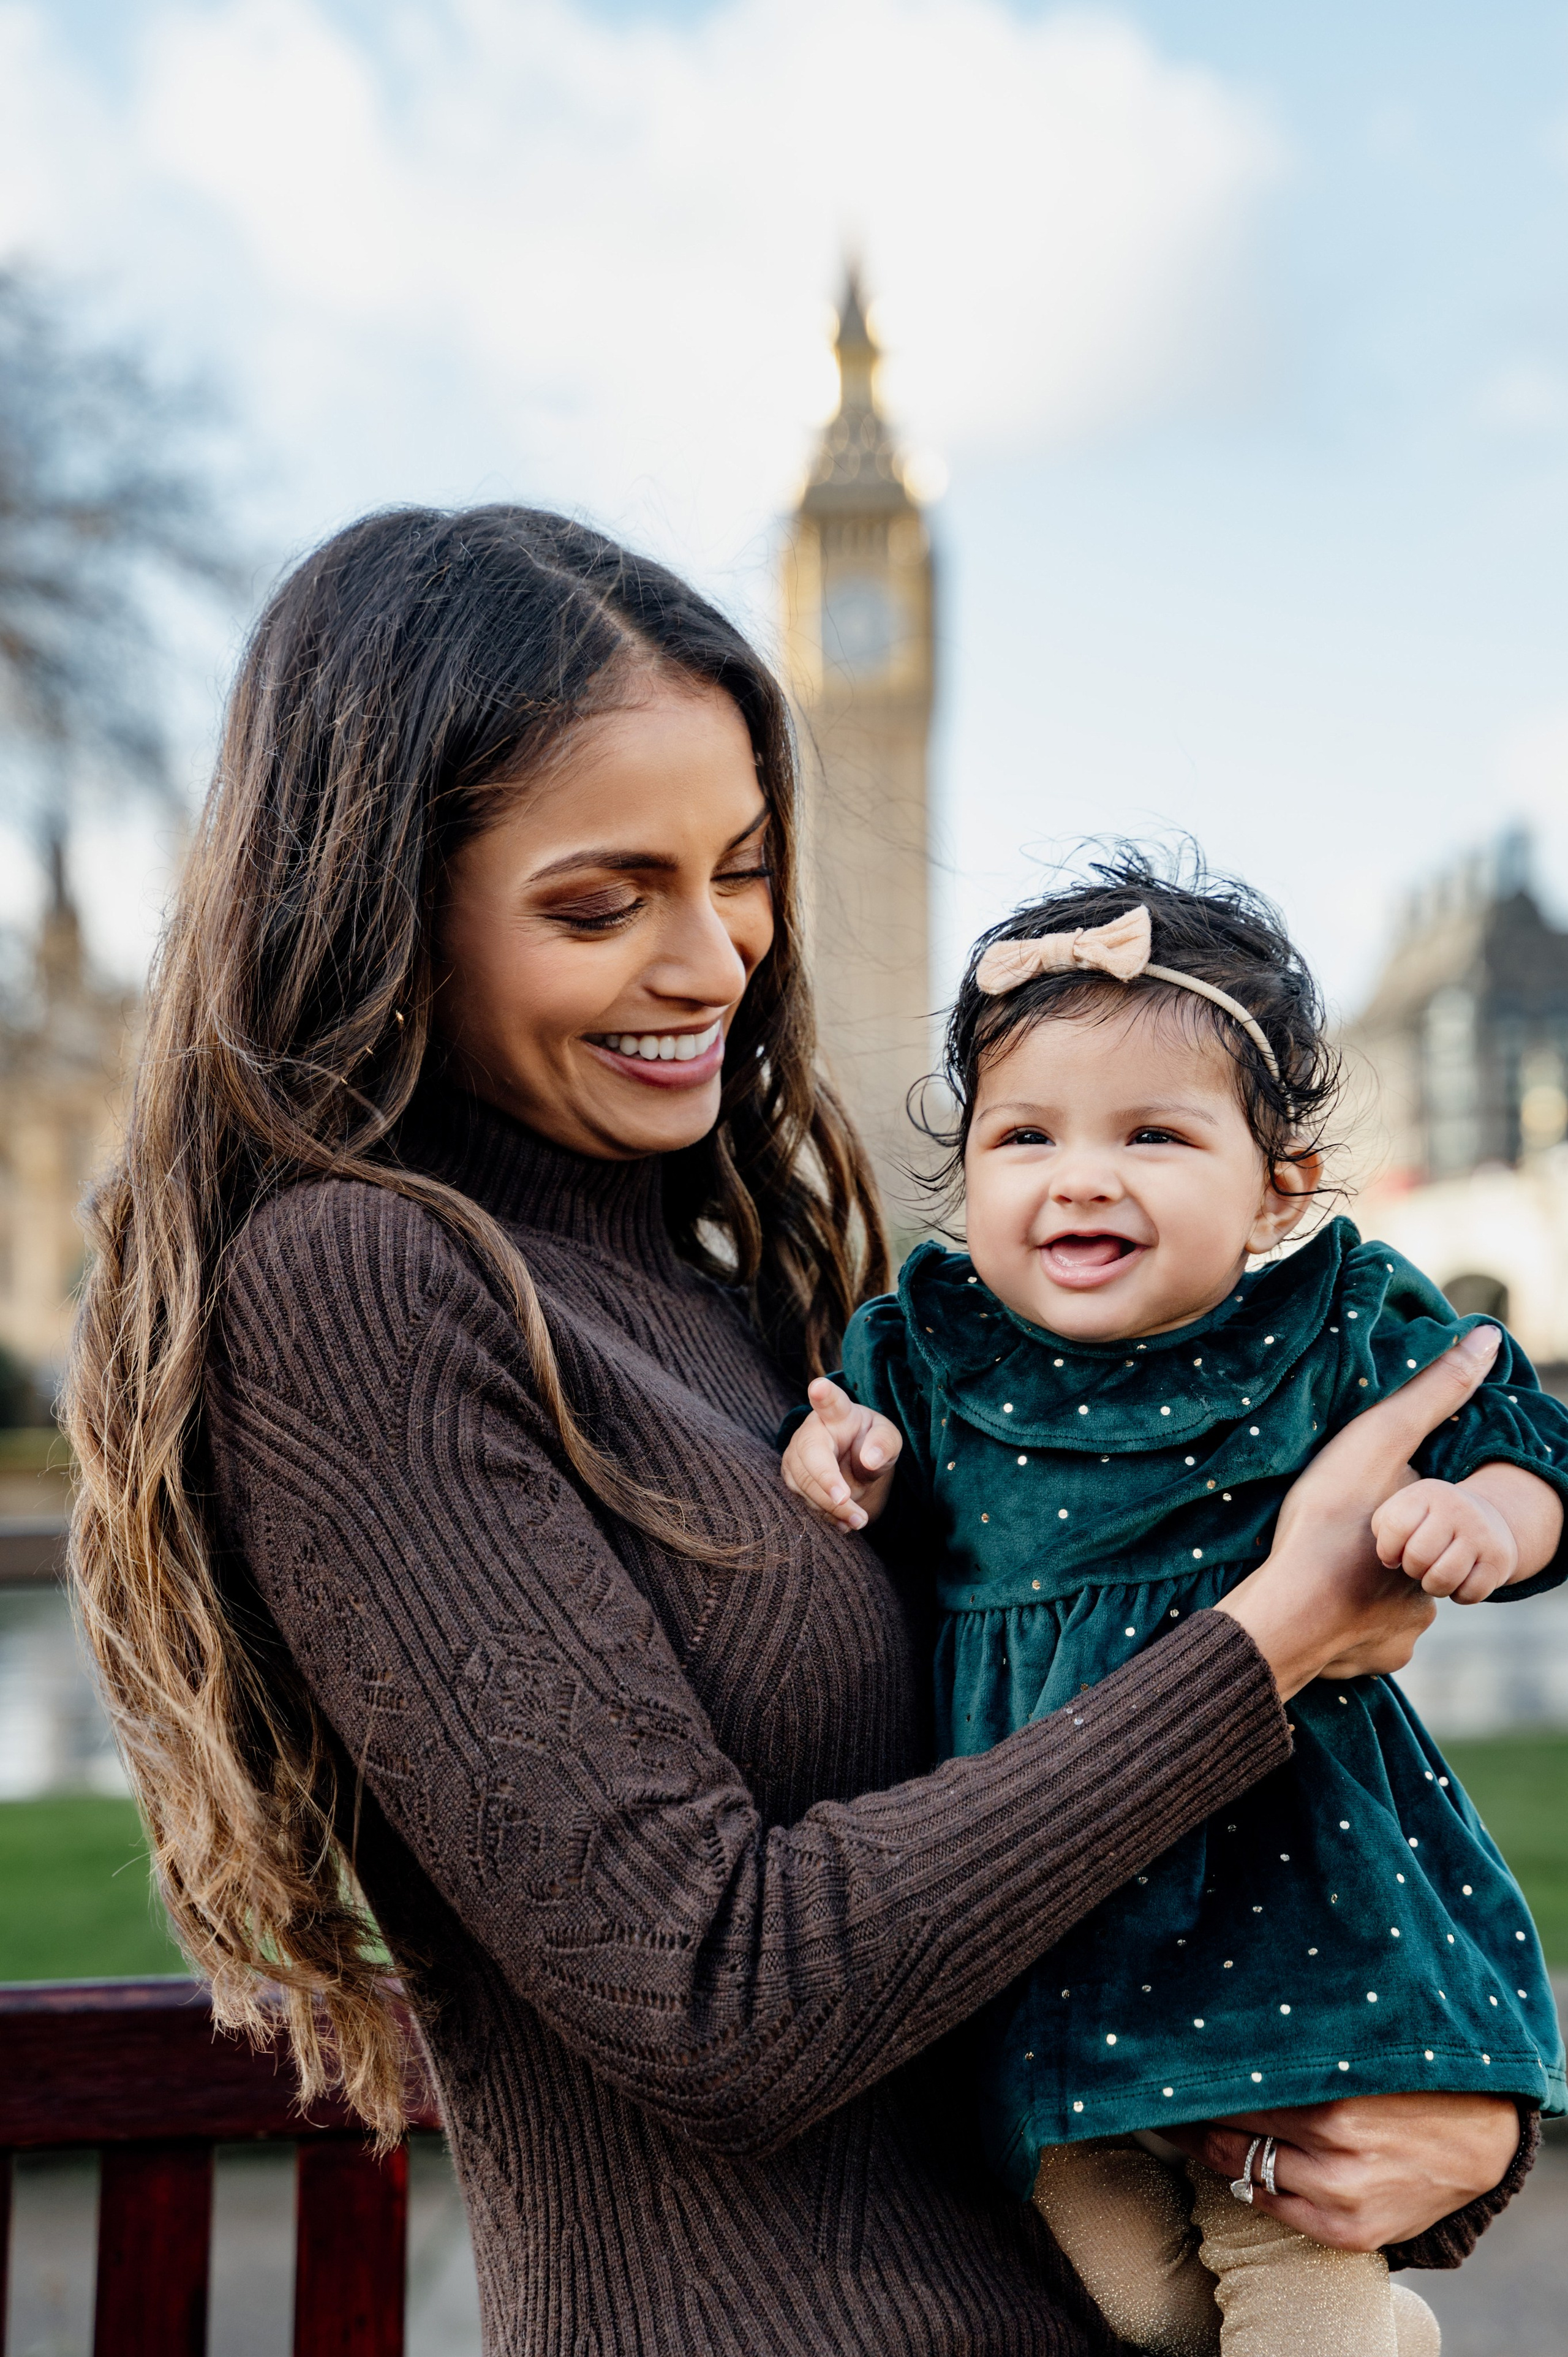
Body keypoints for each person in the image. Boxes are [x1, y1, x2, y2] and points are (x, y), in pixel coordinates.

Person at [65, 511, 1532, 2357]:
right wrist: (1280, 1634)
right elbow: (714, 1999)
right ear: (383, 901)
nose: (714, 963)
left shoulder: (742, 1286)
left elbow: (1048, 1858)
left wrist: (1428, 2131)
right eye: (603, 904)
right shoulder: (364, 1289)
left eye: (743, 871)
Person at [782, 863, 1568, 2356]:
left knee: (1290, 2289)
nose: (1078, 1175)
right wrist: (837, 1455)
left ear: (1275, 1182)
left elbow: (1523, 1439)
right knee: (1141, 2306)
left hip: (1288, 1906)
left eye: (1151, 1133)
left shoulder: (1328, 1324)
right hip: (1038, 1908)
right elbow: (841, 1442)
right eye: (1026, 1136)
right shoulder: (935, 1346)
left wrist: (1477, 1517)